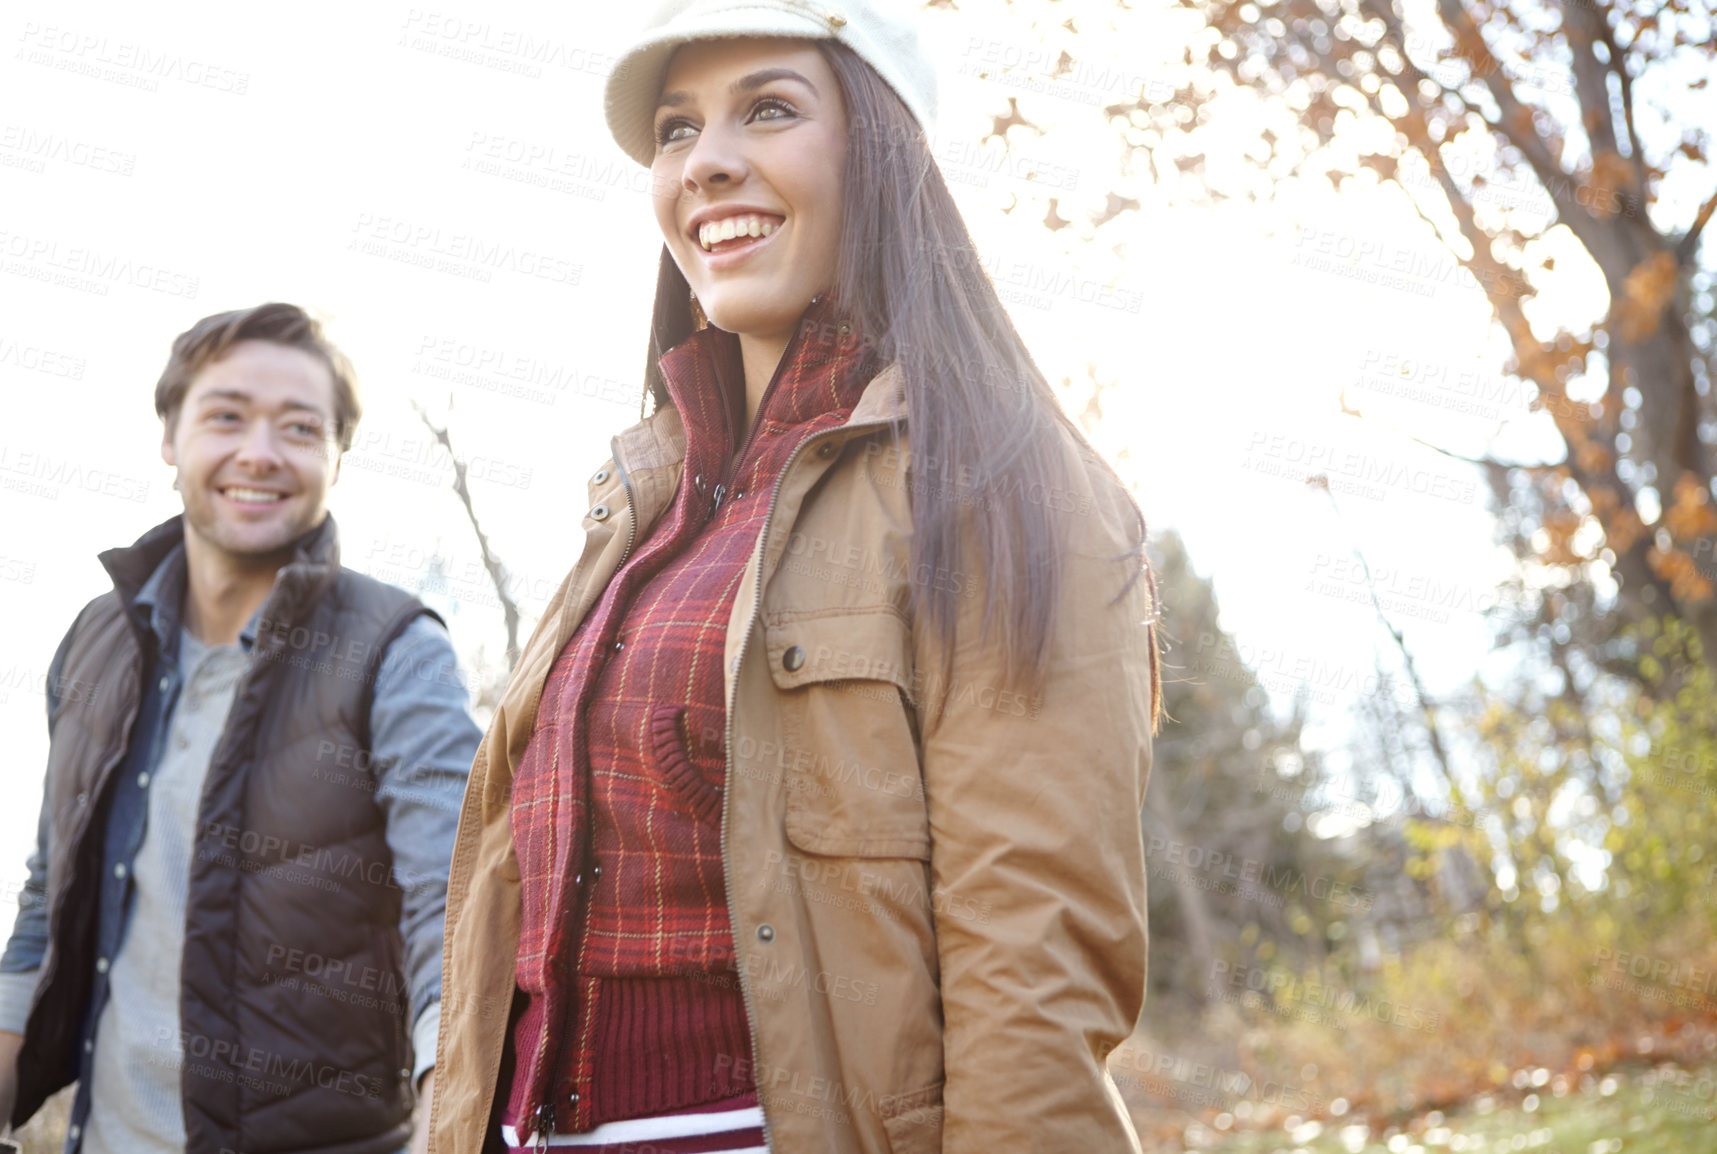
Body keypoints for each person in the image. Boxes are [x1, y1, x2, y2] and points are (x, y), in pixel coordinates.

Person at [430, 2, 1160, 1151]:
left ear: (881, 148)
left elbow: (1033, 976)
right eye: (676, 130)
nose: (705, 161)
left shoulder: (1002, 485)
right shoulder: (640, 504)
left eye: (768, 108)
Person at [0, 303, 482, 1154]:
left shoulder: (397, 652)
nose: (259, 452)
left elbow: (455, 914)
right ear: (169, 435)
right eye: (226, 415)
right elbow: (49, 903)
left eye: (300, 427)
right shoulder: (95, 643)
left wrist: (454, 1121)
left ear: (337, 457)